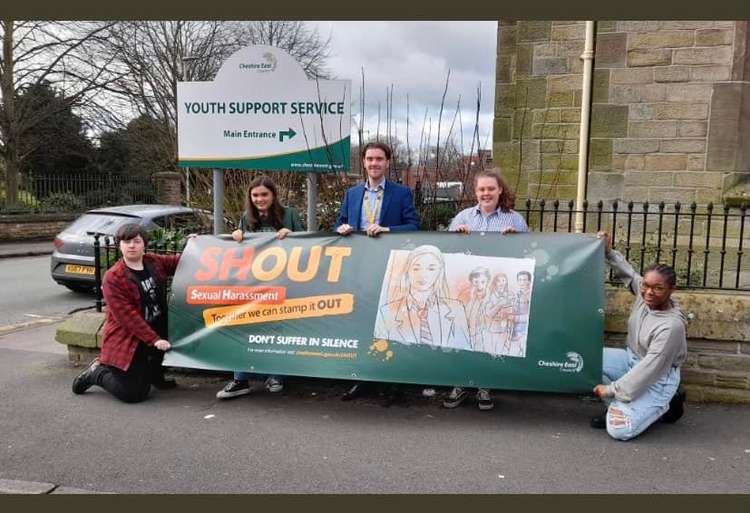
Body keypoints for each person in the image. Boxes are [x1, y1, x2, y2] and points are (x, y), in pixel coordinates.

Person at [336, 141, 420, 403]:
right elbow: (338, 223)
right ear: (363, 162)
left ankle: (391, 381)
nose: (374, 163)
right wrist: (341, 228)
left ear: (387, 162)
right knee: (360, 322)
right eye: (370, 159)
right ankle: (362, 377)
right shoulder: (351, 194)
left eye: (379, 159)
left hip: (389, 268)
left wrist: (388, 230)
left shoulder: (401, 193)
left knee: (390, 322)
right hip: (359, 268)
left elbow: (414, 226)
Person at [443, 168, 529, 411]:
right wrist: (456, 237)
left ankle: (484, 386)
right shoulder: (463, 218)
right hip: (469, 290)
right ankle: (459, 383)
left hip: (496, 292)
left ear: (500, 190)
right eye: (482, 189)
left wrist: (517, 241)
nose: (486, 193)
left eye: (491, 188)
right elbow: (447, 251)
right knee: (465, 335)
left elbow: (528, 255)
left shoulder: (514, 219)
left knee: (489, 337)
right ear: (475, 192)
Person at [591, 231, 687, 441]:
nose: (648, 293)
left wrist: (611, 390)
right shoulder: (645, 295)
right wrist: (608, 252)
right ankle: (624, 405)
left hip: (658, 377)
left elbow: (650, 368)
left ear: (671, 289)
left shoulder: (672, 326)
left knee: (619, 429)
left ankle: (665, 402)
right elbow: (629, 274)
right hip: (631, 360)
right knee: (588, 361)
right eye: (646, 285)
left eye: (658, 288)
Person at [216, 176, 305, 400]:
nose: (259, 199)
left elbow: (308, 245)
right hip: (253, 286)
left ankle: (277, 375)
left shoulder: (290, 215)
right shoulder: (247, 217)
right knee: (246, 329)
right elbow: (240, 251)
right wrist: (236, 236)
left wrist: (293, 236)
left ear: (273, 195)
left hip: (284, 284)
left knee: (278, 330)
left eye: (264, 194)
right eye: (255, 195)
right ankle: (240, 378)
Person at [71, 223, 181, 403]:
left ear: (144, 244)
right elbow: (128, 318)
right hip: (129, 338)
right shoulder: (113, 277)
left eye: (137, 241)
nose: (132, 245)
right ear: (119, 244)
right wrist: (154, 340)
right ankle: (97, 372)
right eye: (127, 241)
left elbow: (182, 263)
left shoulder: (153, 262)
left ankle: (154, 376)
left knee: (158, 355)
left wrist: (196, 247)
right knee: (133, 394)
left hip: (156, 329)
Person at [375, 245, 471, 350]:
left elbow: (464, 350)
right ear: (407, 271)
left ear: (440, 272)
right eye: (416, 268)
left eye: (431, 268)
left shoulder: (456, 309)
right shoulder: (386, 312)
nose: (423, 275)